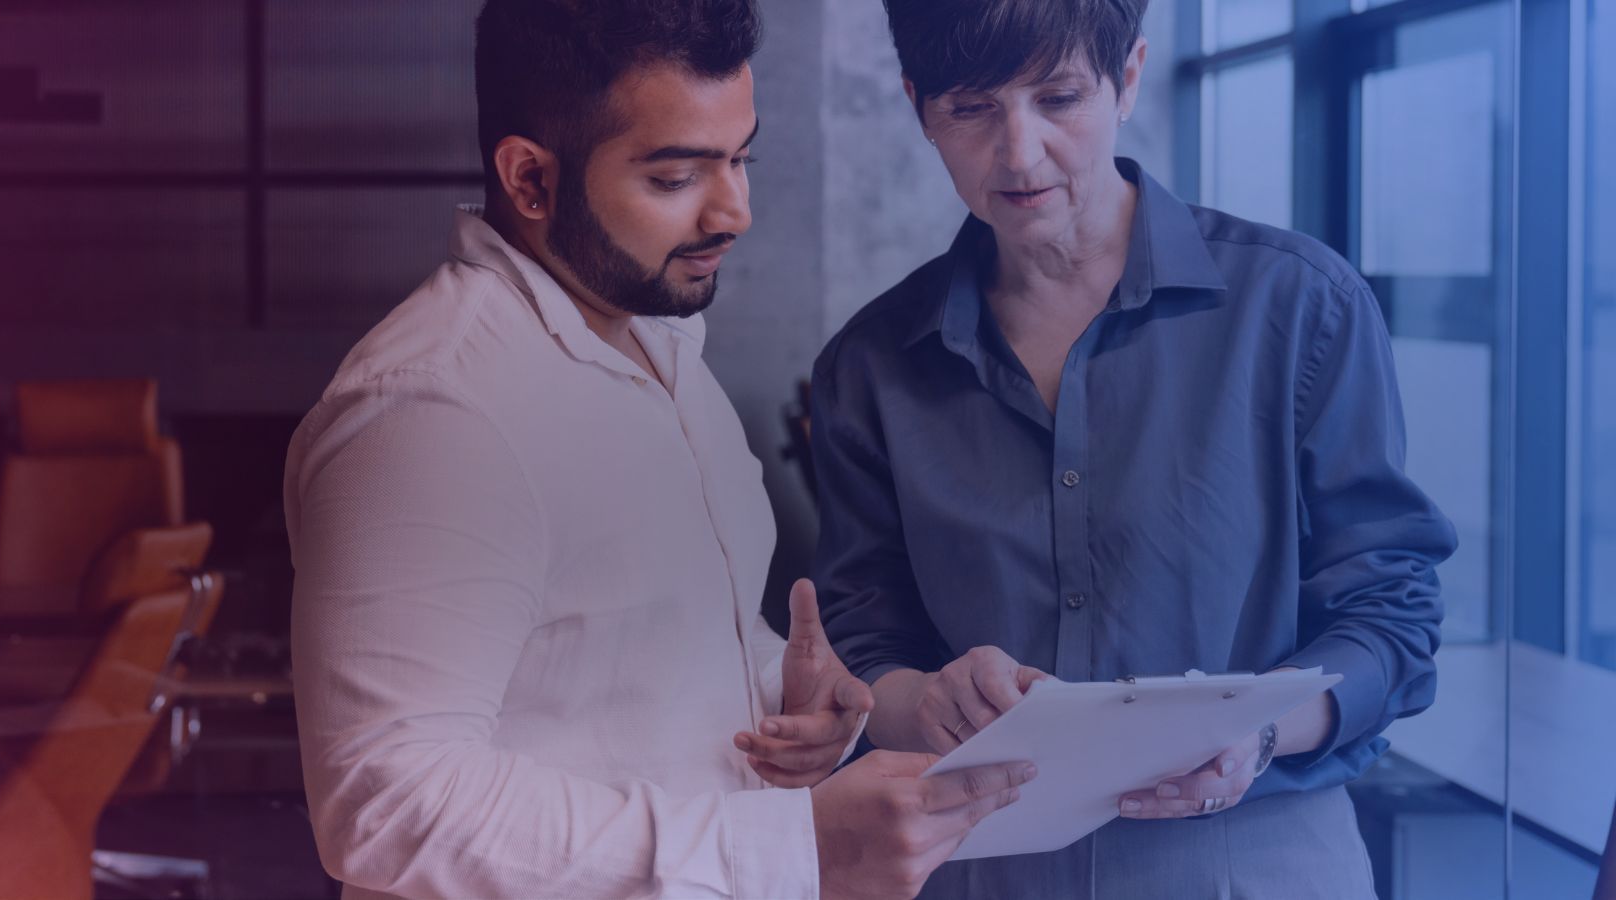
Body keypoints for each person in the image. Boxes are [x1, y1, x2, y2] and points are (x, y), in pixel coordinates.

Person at [285, 1, 1035, 897]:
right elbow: (386, 800)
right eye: (677, 177)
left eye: (741, 159)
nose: (736, 211)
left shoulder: (660, 344)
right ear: (530, 180)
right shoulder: (437, 410)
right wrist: (792, 847)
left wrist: (776, 688)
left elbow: (613, 654)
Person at [807, 0, 1459, 896]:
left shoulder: (1303, 308)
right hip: (983, 872)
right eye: (971, 108)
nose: (1020, 153)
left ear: (1129, 78)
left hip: (1254, 865)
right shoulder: (869, 364)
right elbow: (860, 638)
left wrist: (1261, 732)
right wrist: (921, 701)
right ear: (919, 105)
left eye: (1059, 98)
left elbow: (1391, 614)